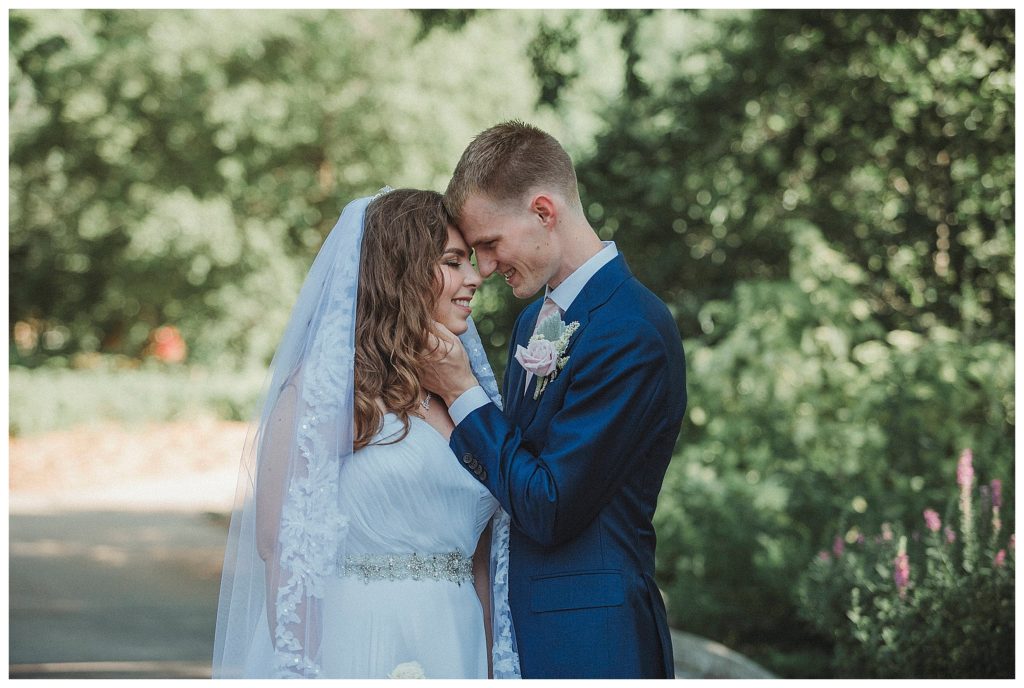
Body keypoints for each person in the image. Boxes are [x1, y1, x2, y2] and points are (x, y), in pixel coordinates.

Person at [212, 188, 521, 678]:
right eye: (453, 261)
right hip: (359, 638)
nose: (474, 277)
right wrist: (303, 670)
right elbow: (281, 550)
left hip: (458, 640)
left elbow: (483, 564)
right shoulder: (329, 391)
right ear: (401, 271)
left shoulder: (462, 400)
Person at [421, 121, 687, 679]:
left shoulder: (629, 329)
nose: (485, 268)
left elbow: (549, 505)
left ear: (544, 211)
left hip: (591, 640)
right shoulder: (533, 325)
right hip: (522, 632)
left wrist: (462, 393)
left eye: (490, 245)